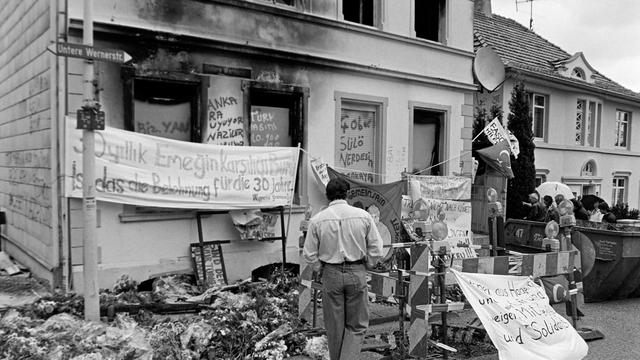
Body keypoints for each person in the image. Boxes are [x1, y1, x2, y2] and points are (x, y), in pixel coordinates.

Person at [303, 178, 383, 360]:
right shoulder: (363, 216)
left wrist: (320, 268)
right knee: (357, 325)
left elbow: (309, 253)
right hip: (356, 270)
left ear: (327, 196)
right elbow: (377, 247)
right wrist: (368, 264)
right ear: (347, 194)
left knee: (334, 326)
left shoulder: (317, 220)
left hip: (331, 272)